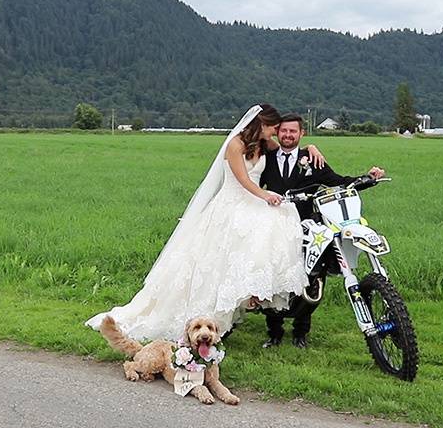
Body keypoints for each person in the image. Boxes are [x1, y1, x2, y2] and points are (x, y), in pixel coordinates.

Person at [85, 105, 325, 341]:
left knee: (274, 228)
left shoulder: (264, 144)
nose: (276, 132)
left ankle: (248, 298)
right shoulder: (235, 145)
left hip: (251, 204)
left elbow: (289, 149)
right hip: (231, 205)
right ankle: (213, 313)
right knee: (215, 263)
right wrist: (266, 196)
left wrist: (310, 148)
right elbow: (243, 180)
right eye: (273, 127)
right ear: (261, 124)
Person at [258, 113, 385, 348]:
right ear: (277, 132)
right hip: (276, 225)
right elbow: (255, 185)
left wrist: (368, 178)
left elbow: (337, 180)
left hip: (309, 226)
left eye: (293, 131)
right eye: (283, 131)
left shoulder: (311, 158)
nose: (287, 135)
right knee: (274, 275)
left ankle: (300, 333)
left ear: (301, 134)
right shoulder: (268, 157)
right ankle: (274, 332)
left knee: (312, 276)